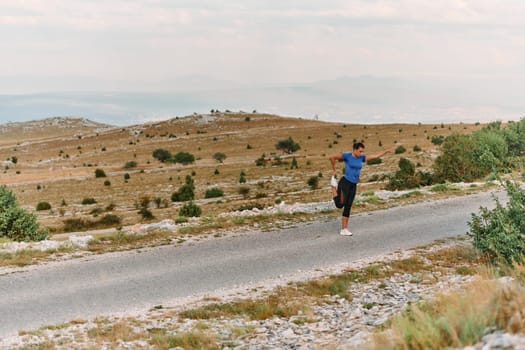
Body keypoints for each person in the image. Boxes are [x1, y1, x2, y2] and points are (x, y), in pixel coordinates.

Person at [329, 142, 394, 236]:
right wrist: (334, 169)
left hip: (353, 184)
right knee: (340, 204)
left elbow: (374, 156)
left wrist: (386, 151)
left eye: (362, 151)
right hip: (345, 183)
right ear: (354, 149)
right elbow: (332, 157)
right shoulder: (347, 156)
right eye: (359, 151)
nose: (361, 153)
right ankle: (333, 186)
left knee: (348, 206)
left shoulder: (361, 158)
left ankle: (344, 229)